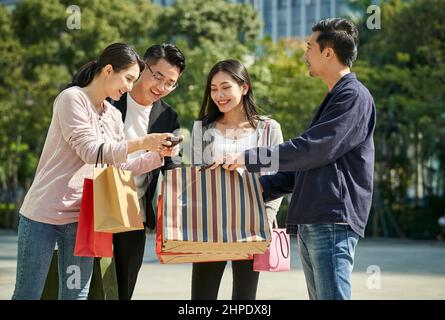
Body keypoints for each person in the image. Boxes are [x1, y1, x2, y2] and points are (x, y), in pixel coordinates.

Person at [223, 18, 376, 300]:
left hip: (332, 218)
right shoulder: (335, 98)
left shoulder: (353, 96)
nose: (305, 54)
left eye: (309, 47)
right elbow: (308, 164)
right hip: (317, 218)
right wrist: (260, 189)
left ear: (328, 52)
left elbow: (312, 149)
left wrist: (249, 158)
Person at [12, 43, 175, 300]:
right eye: (129, 79)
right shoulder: (72, 99)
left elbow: (117, 167)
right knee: (28, 294)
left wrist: (157, 156)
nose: (131, 87)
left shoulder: (111, 114)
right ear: (108, 70)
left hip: (82, 218)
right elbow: (91, 151)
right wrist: (143, 142)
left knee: (76, 295)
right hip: (43, 215)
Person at [190, 59, 284, 300]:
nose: (218, 95)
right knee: (202, 297)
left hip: (252, 224)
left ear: (244, 87)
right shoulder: (203, 128)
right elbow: (194, 178)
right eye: (213, 89)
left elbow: (278, 178)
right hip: (210, 225)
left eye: (225, 87)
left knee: (245, 297)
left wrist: (267, 219)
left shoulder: (268, 129)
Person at [110, 43, 185, 300]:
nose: (161, 87)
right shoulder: (112, 98)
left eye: (170, 83)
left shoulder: (168, 116)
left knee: (123, 289)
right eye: (158, 76)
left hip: (135, 214)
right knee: (90, 284)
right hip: (97, 206)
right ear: (143, 67)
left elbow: (171, 166)